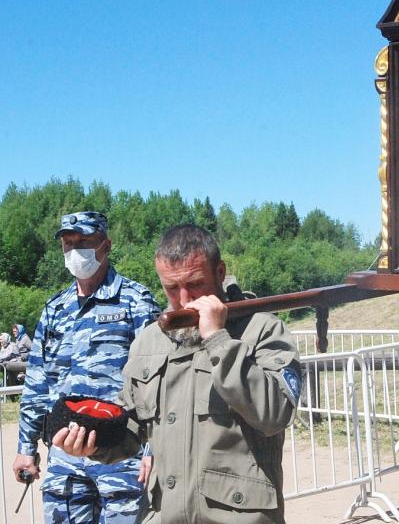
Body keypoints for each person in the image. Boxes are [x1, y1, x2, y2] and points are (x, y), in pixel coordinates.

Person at [54, 223, 302, 524]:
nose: (184, 299)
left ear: (220, 273)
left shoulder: (263, 329)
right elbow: (131, 433)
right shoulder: (149, 340)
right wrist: (94, 442)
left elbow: (274, 414)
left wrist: (218, 340)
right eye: (171, 288)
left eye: (195, 284)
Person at [12, 211, 161, 523]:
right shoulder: (54, 310)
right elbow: (38, 384)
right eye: (68, 243)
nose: (75, 249)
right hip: (65, 457)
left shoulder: (136, 301)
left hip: (122, 455)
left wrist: (154, 451)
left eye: (84, 241)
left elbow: (159, 382)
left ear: (105, 245)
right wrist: (26, 447)